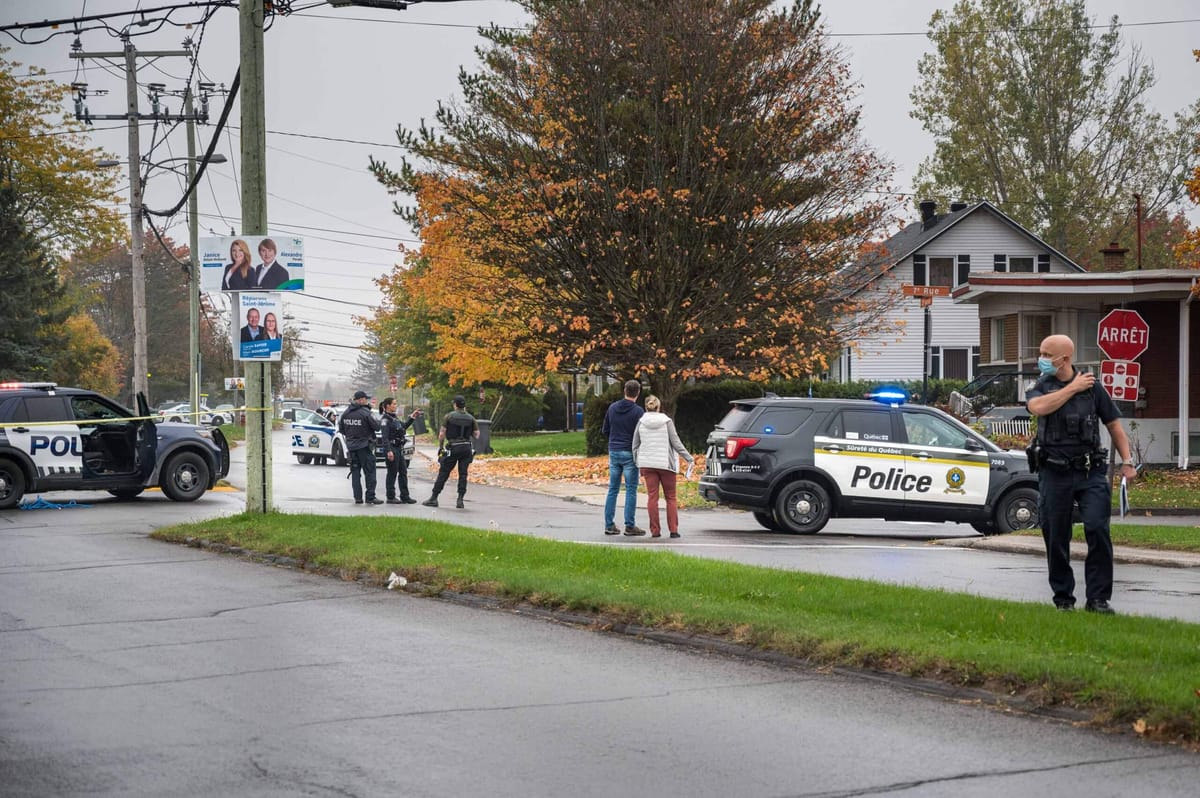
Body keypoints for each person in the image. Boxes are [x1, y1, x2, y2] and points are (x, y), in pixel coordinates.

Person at [1026, 333, 1137, 615]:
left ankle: (1098, 599)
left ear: (1064, 358)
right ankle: (1063, 598)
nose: (1041, 358)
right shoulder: (1041, 386)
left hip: (1090, 472)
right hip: (1054, 472)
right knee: (1055, 535)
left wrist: (1127, 460)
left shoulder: (1092, 388)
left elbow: (1113, 425)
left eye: (1046, 353)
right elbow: (1038, 407)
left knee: (1098, 530)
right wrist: (1072, 388)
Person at [632, 395, 695, 539]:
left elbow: (635, 445)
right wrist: (688, 458)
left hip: (648, 464)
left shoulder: (641, 422)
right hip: (666, 464)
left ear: (646, 407)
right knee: (671, 497)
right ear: (658, 407)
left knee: (652, 497)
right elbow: (676, 443)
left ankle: (655, 531)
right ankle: (673, 530)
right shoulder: (667, 421)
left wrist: (638, 462)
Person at [602, 379, 646, 536]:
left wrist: (613, 441)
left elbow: (605, 429)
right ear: (638, 393)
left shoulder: (612, 408)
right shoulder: (638, 412)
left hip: (614, 450)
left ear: (624, 391)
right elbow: (642, 434)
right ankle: (629, 525)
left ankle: (609, 524)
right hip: (629, 453)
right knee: (631, 489)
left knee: (613, 489)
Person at [422, 395, 478, 509]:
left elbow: (442, 434)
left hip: (453, 447)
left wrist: (441, 447)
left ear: (455, 405)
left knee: (444, 472)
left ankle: (434, 498)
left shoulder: (449, 416)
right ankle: (460, 499)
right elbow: (477, 435)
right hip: (466, 448)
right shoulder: (471, 418)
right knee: (463, 474)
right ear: (464, 405)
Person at [338, 390, 382, 505]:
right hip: (364, 446)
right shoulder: (366, 412)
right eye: (365, 399)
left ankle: (358, 498)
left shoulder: (346, 413)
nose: (366, 401)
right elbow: (377, 427)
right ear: (361, 400)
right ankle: (370, 497)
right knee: (370, 472)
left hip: (351, 447)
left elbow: (341, 429)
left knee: (355, 472)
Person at [379, 397, 421, 505]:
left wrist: (412, 417)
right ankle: (390, 496)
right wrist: (388, 451)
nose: (395, 405)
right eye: (393, 404)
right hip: (392, 448)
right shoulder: (385, 420)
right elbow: (385, 437)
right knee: (392, 473)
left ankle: (405, 496)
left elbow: (403, 427)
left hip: (398, 448)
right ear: (387, 406)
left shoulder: (394, 418)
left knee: (403, 472)